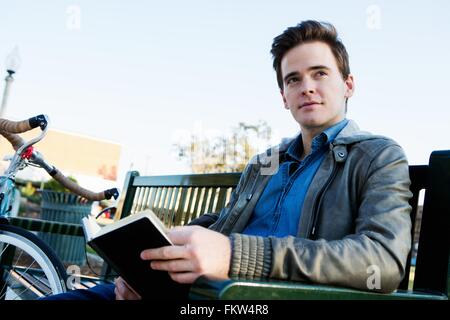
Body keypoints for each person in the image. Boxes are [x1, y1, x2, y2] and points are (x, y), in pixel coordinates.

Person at [45, 20, 412, 300]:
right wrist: (147, 265)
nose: (307, 87)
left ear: (348, 85)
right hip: (192, 291)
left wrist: (238, 255)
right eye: (293, 79)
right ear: (284, 96)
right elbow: (222, 224)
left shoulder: (378, 156)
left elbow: (381, 261)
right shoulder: (267, 162)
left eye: (320, 74)